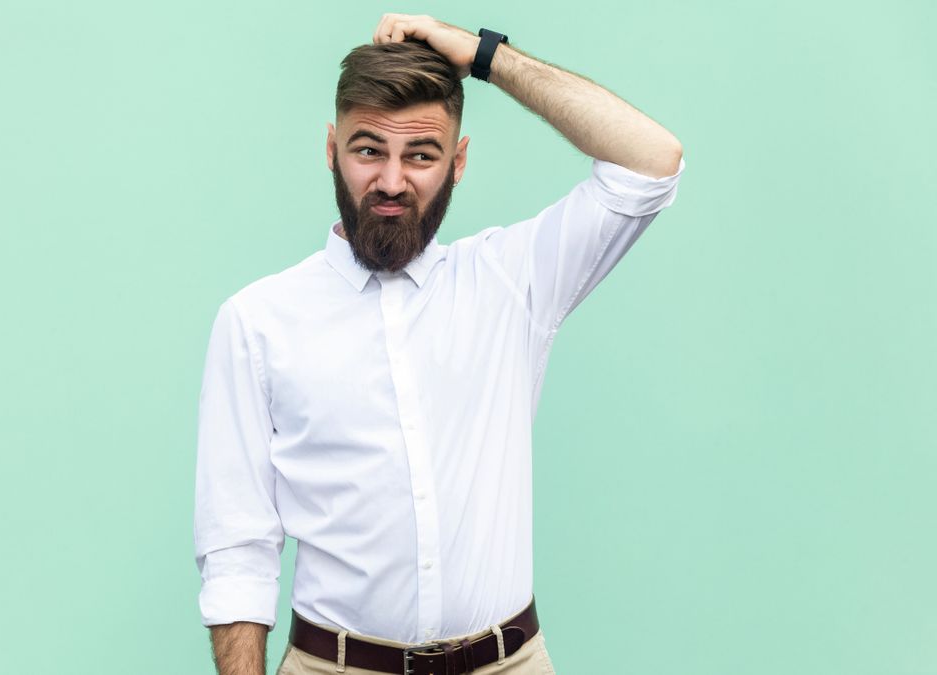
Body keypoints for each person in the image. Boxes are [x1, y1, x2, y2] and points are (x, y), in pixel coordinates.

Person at [194, 13, 685, 675]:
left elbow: (650, 163)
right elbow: (237, 548)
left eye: (420, 155)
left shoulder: (512, 282)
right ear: (331, 148)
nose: (393, 181)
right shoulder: (258, 321)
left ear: (457, 163)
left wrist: (485, 56)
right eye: (369, 150)